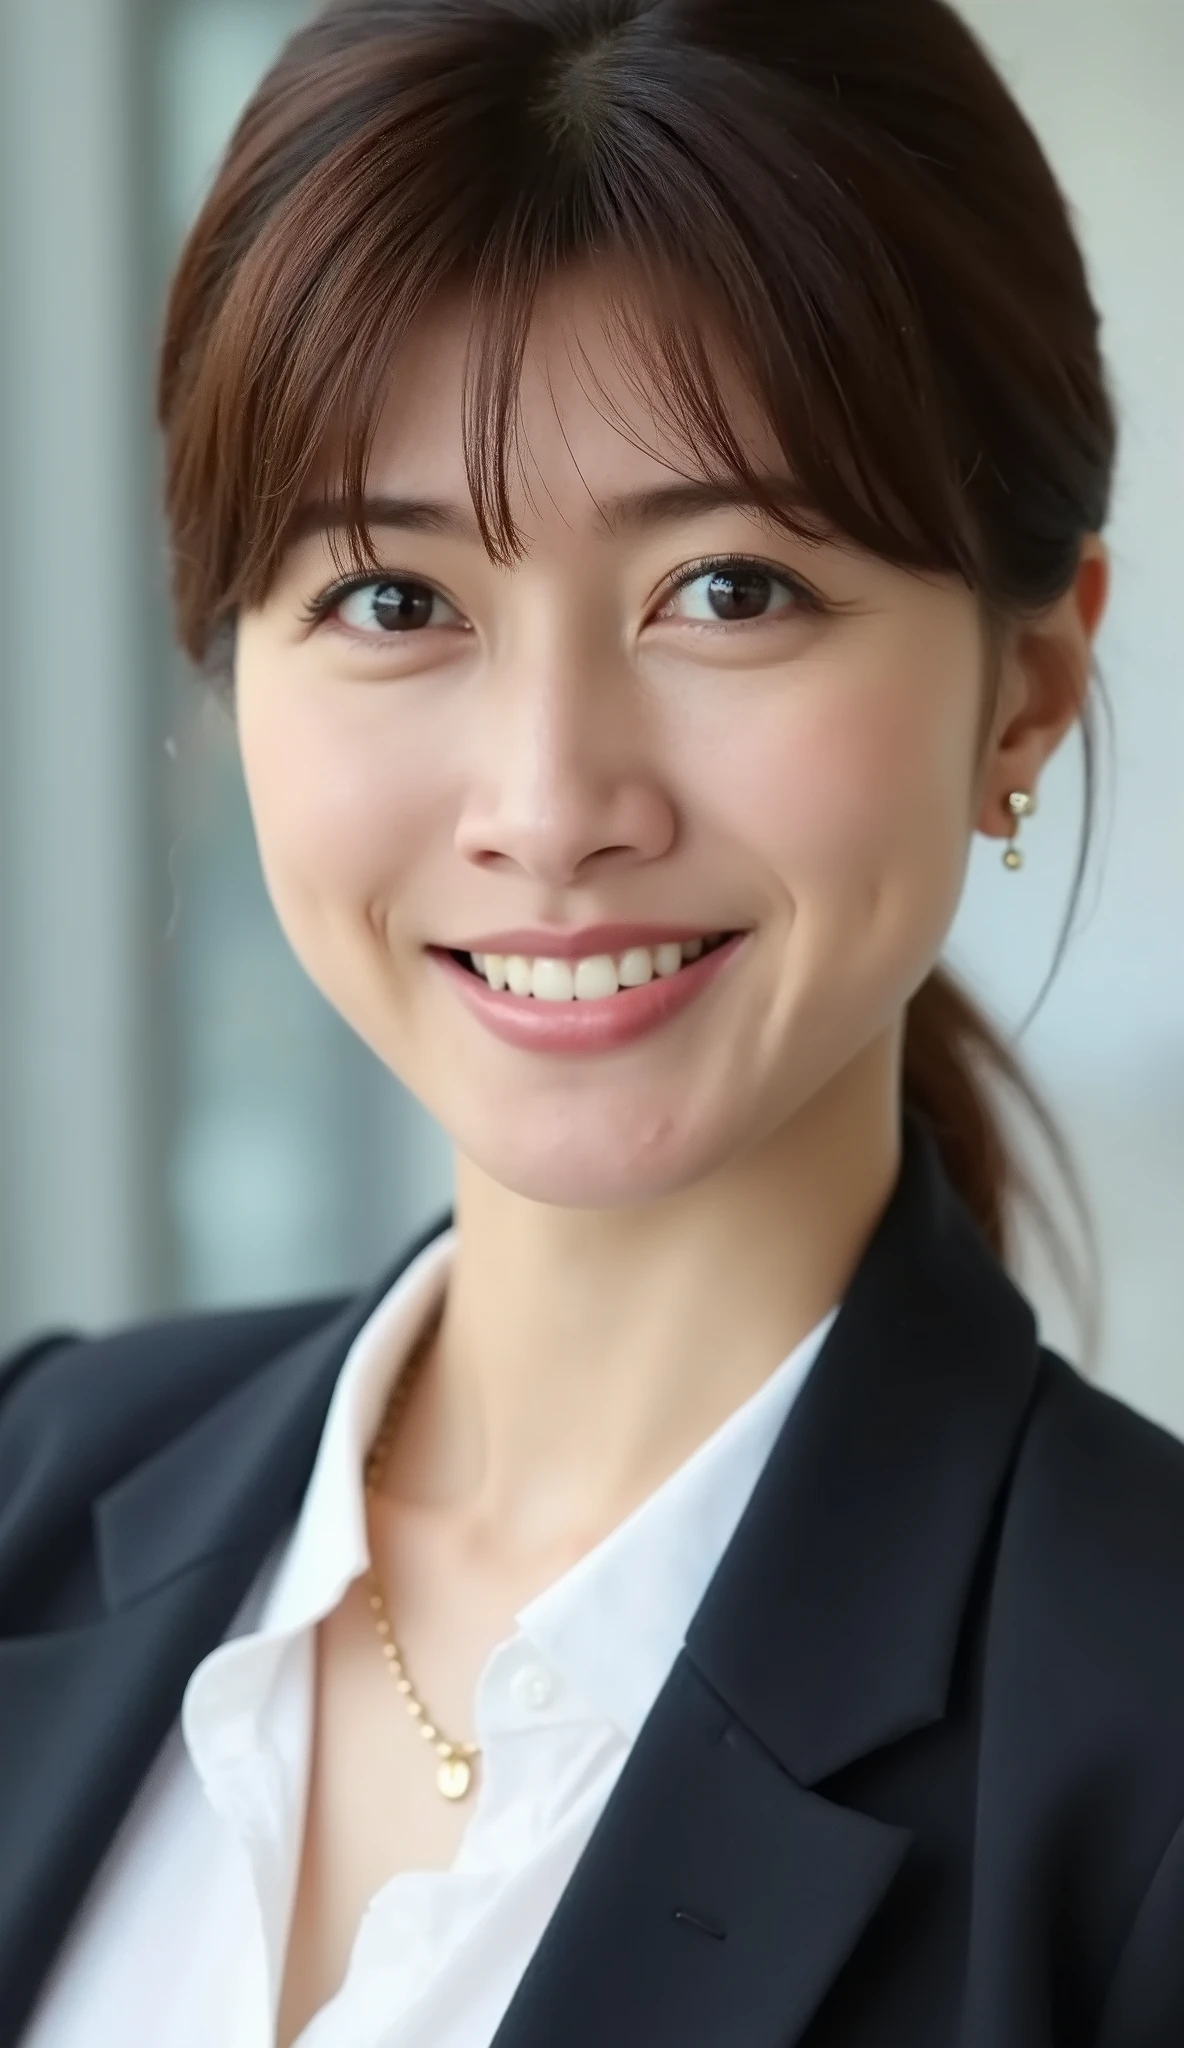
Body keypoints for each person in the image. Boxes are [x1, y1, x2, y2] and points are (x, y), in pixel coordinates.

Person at [2, 0, 1183, 2041]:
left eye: (727, 588)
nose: (550, 804)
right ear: (229, 676)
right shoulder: (26, 1487)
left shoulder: (1141, 1762)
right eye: (393, 601)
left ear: (1026, 688)